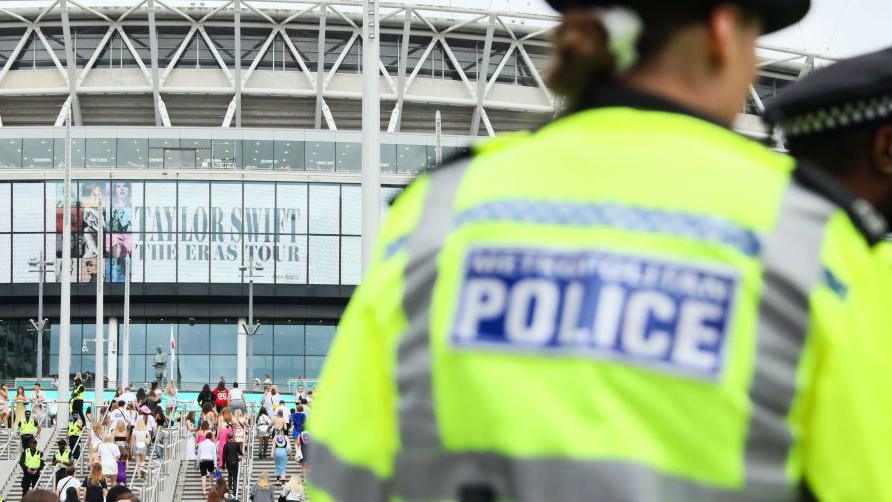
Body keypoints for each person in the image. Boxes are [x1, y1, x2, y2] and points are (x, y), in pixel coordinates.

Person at [310, 0, 892, 500]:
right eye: (753, 37)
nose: (756, 63)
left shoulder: (440, 207)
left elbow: (344, 469)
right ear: (720, 31)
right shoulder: (810, 234)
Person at [197, 432, 218, 497]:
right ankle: (209, 486)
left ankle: (204, 491)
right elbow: (214, 455)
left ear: (205, 437)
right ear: (211, 437)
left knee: (203, 476)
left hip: (202, 461)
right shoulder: (212, 444)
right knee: (211, 473)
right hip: (210, 461)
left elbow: (199, 454)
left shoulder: (201, 444)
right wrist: (215, 464)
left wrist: (198, 463)